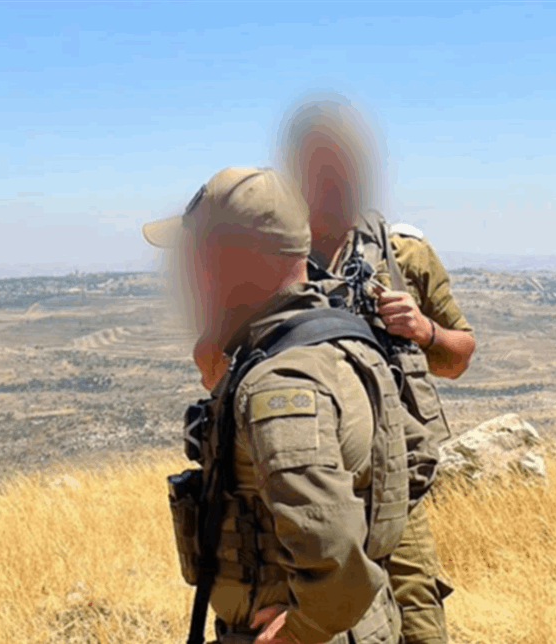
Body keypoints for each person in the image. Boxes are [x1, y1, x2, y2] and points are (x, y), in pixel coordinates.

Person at [147, 166, 419, 644]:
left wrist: (299, 630)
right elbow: (409, 465)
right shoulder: (337, 339)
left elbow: (335, 557)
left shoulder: (281, 383)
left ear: (233, 260)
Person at [286, 95, 474, 644]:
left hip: (396, 489)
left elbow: (459, 356)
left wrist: (423, 330)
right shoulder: (275, 261)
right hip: (310, 491)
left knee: (418, 625)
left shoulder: (402, 254)